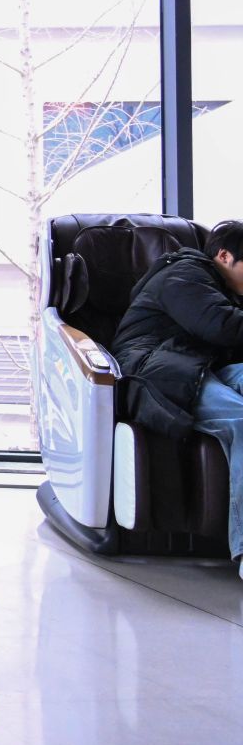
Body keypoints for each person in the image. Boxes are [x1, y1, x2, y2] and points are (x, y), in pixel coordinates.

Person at [111, 219, 243, 577]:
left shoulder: (223, 287)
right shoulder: (184, 274)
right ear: (225, 256)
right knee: (241, 421)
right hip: (157, 372)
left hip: (199, 366)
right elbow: (223, 326)